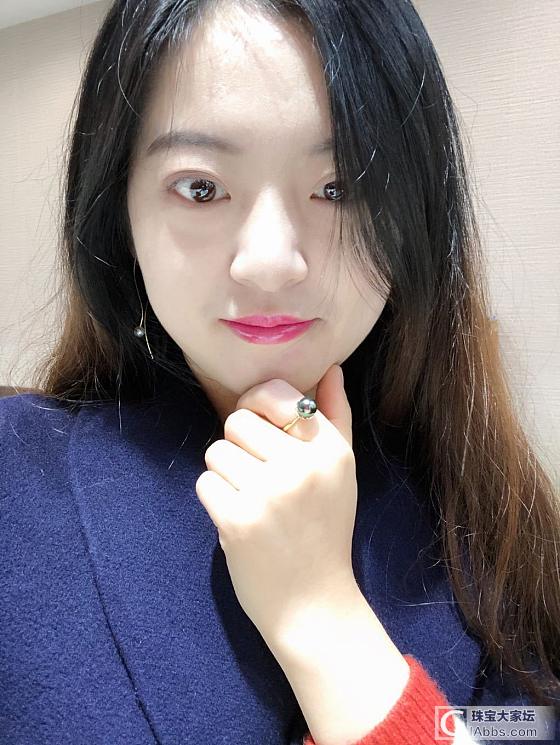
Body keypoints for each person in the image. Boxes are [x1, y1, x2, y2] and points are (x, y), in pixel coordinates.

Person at [1, 0, 559, 743]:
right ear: (117, 214)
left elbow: (521, 725)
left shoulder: (494, 522)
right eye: (201, 187)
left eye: (342, 187)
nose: (269, 262)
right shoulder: (16, 479)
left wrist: (323, 619)